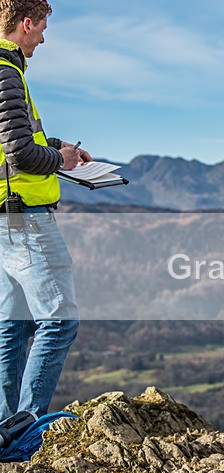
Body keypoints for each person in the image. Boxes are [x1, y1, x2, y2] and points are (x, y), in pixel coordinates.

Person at [0, 0, 91, 425]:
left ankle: (5, 426)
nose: (43, 36)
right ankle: (25, 425)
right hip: (24, 221)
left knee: (12, 324)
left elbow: (17, 139)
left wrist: (57, 147)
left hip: (5, 219)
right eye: (41, 27)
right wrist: (63, 161)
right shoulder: (6, 73)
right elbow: (20, 154)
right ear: (25, 23)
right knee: (58, 321)